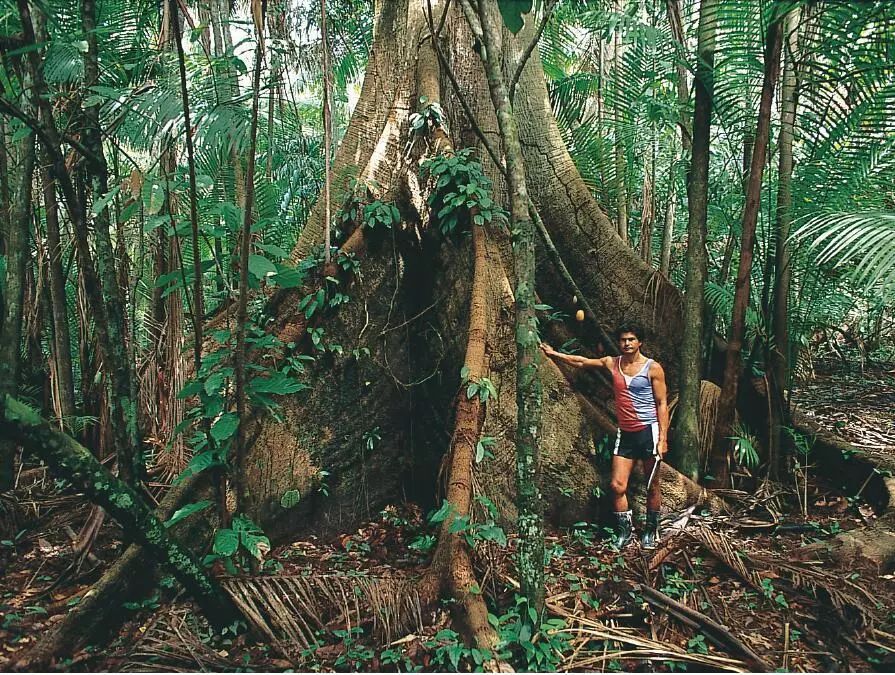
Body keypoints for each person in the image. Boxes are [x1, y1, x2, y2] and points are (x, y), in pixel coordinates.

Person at [541, 322, 669, 549]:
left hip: (648, 432)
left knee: (652, 485)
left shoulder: (652, 368)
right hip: (626, 434)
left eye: (631, 339)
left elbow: (661, 404)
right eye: (623, 340)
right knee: (617, 486)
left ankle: (651, 531)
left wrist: (663, 439)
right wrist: (553, 354)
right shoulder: (613, 363)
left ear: (640, 342)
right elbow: (582, 362)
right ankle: (625, 533)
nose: (627, 343)